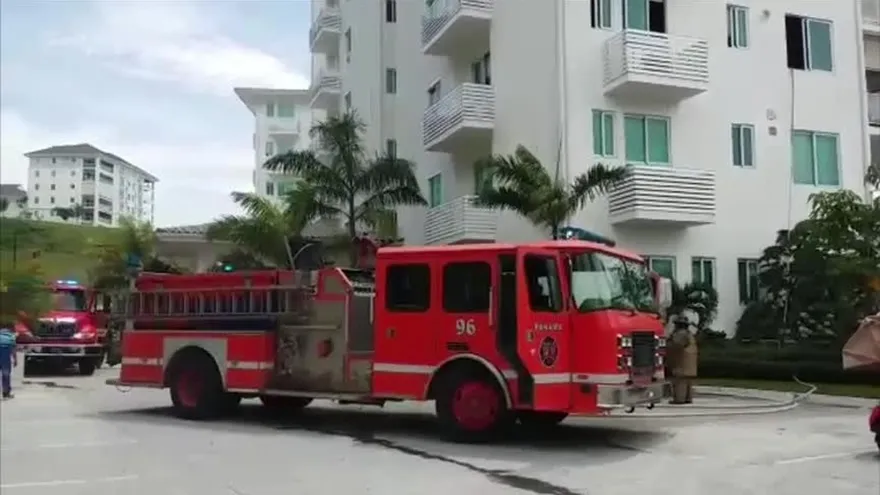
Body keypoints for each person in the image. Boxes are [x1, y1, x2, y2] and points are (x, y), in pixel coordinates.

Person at [667, 315, 698, 404]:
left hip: (682, 363)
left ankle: (679, 399)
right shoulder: (690, 334)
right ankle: (688, 398)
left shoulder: (680, 334)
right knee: (688, 382)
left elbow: (675, 346)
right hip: (690, 363)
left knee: (680, 382)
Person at [0, 319, 18, 399]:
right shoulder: (11, 336)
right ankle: (6, 392)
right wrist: (15, 359)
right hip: (5, 357)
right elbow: (13, 349)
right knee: (6, 375)